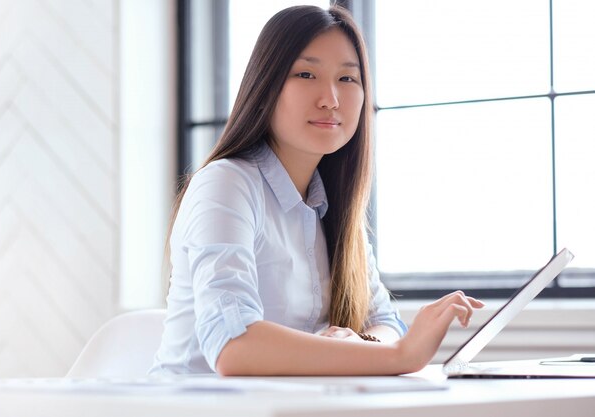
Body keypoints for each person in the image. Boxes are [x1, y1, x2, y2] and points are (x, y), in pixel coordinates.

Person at [150, 4, 484, 377]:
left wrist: (362, 343)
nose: (331, 99)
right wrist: (400, 356)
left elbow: (385, 321)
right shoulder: (226, 184)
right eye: (306, 74)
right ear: (266, 86)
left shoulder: (335, 205)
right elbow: (233, 346)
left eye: (347, 79)